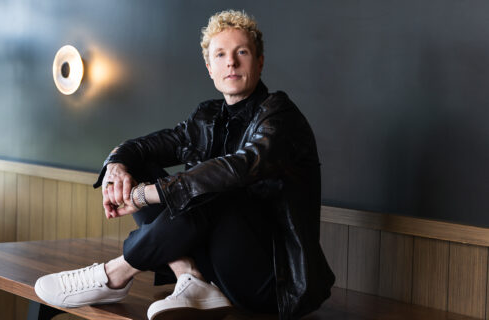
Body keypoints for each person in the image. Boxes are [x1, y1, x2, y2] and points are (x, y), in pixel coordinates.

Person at [34, 9, 335, 320]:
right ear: (210, 68)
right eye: (220, 54)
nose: (230, 62)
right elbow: (142, 147)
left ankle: (114, 274)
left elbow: (237, 168)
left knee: (216, 186)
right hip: (217, 266)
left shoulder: (280, 115)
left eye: (241, 52)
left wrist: (145, 195)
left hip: (273, 282)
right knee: (142, 168)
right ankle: (189, 277)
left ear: (259, 62)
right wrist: (116, 166)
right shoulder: (207, 116)